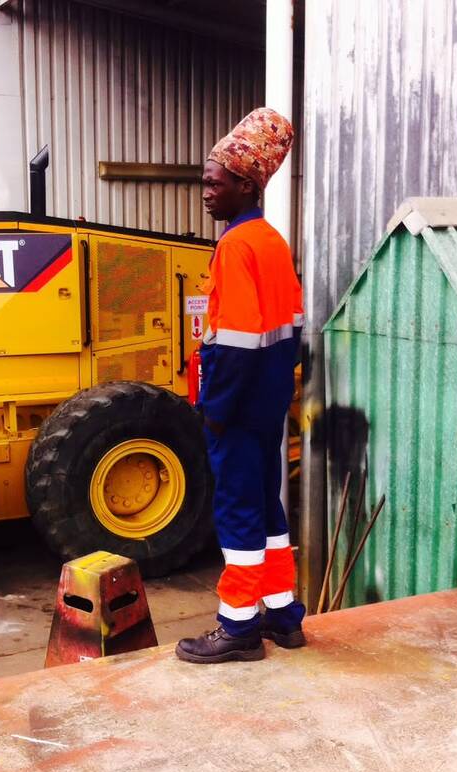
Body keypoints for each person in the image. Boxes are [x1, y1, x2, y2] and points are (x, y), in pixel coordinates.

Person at [175, 108, 306, 664]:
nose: (206, 193)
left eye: (216, 183)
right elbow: (290, 329)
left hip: (237, 407)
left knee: (236, 512)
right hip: (268, 405)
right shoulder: (272, 242)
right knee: (266, 508)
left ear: (247, 185)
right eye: (205, 181)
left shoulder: (235, 247)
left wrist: (216, 408)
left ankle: (238, 627)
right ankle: (282, 615)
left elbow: (233, 343)